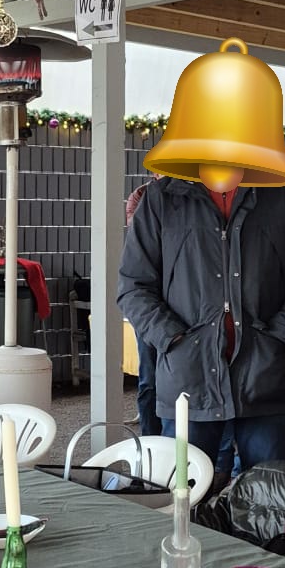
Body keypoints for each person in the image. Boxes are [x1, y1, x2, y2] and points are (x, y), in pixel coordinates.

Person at [118, 175, 285, 477]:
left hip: (266, 379)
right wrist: (173, 339)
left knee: (267, 496)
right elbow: (133, 286)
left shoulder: (284, 189)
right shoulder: (162, 196)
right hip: (188, 382)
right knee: (184, 496)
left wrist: (280, 336)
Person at [124, 183, 159, 437]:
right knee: (150, 379)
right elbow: (140, 233)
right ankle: (150, 442)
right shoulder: (141, 195)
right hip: (150, 307)